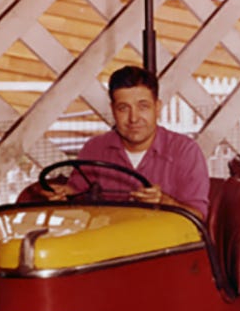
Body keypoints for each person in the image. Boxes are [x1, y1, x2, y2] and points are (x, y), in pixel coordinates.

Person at [49, 65, 210, 219]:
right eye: (123, 108)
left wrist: (164, 201)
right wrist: (62, 194)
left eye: (143, 107)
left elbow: (198, 217)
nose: (133, 118)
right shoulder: (95, 148)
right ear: (113, 110)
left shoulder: (185, 151)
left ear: (157, 108)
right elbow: (76, 195)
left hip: (166, 245)